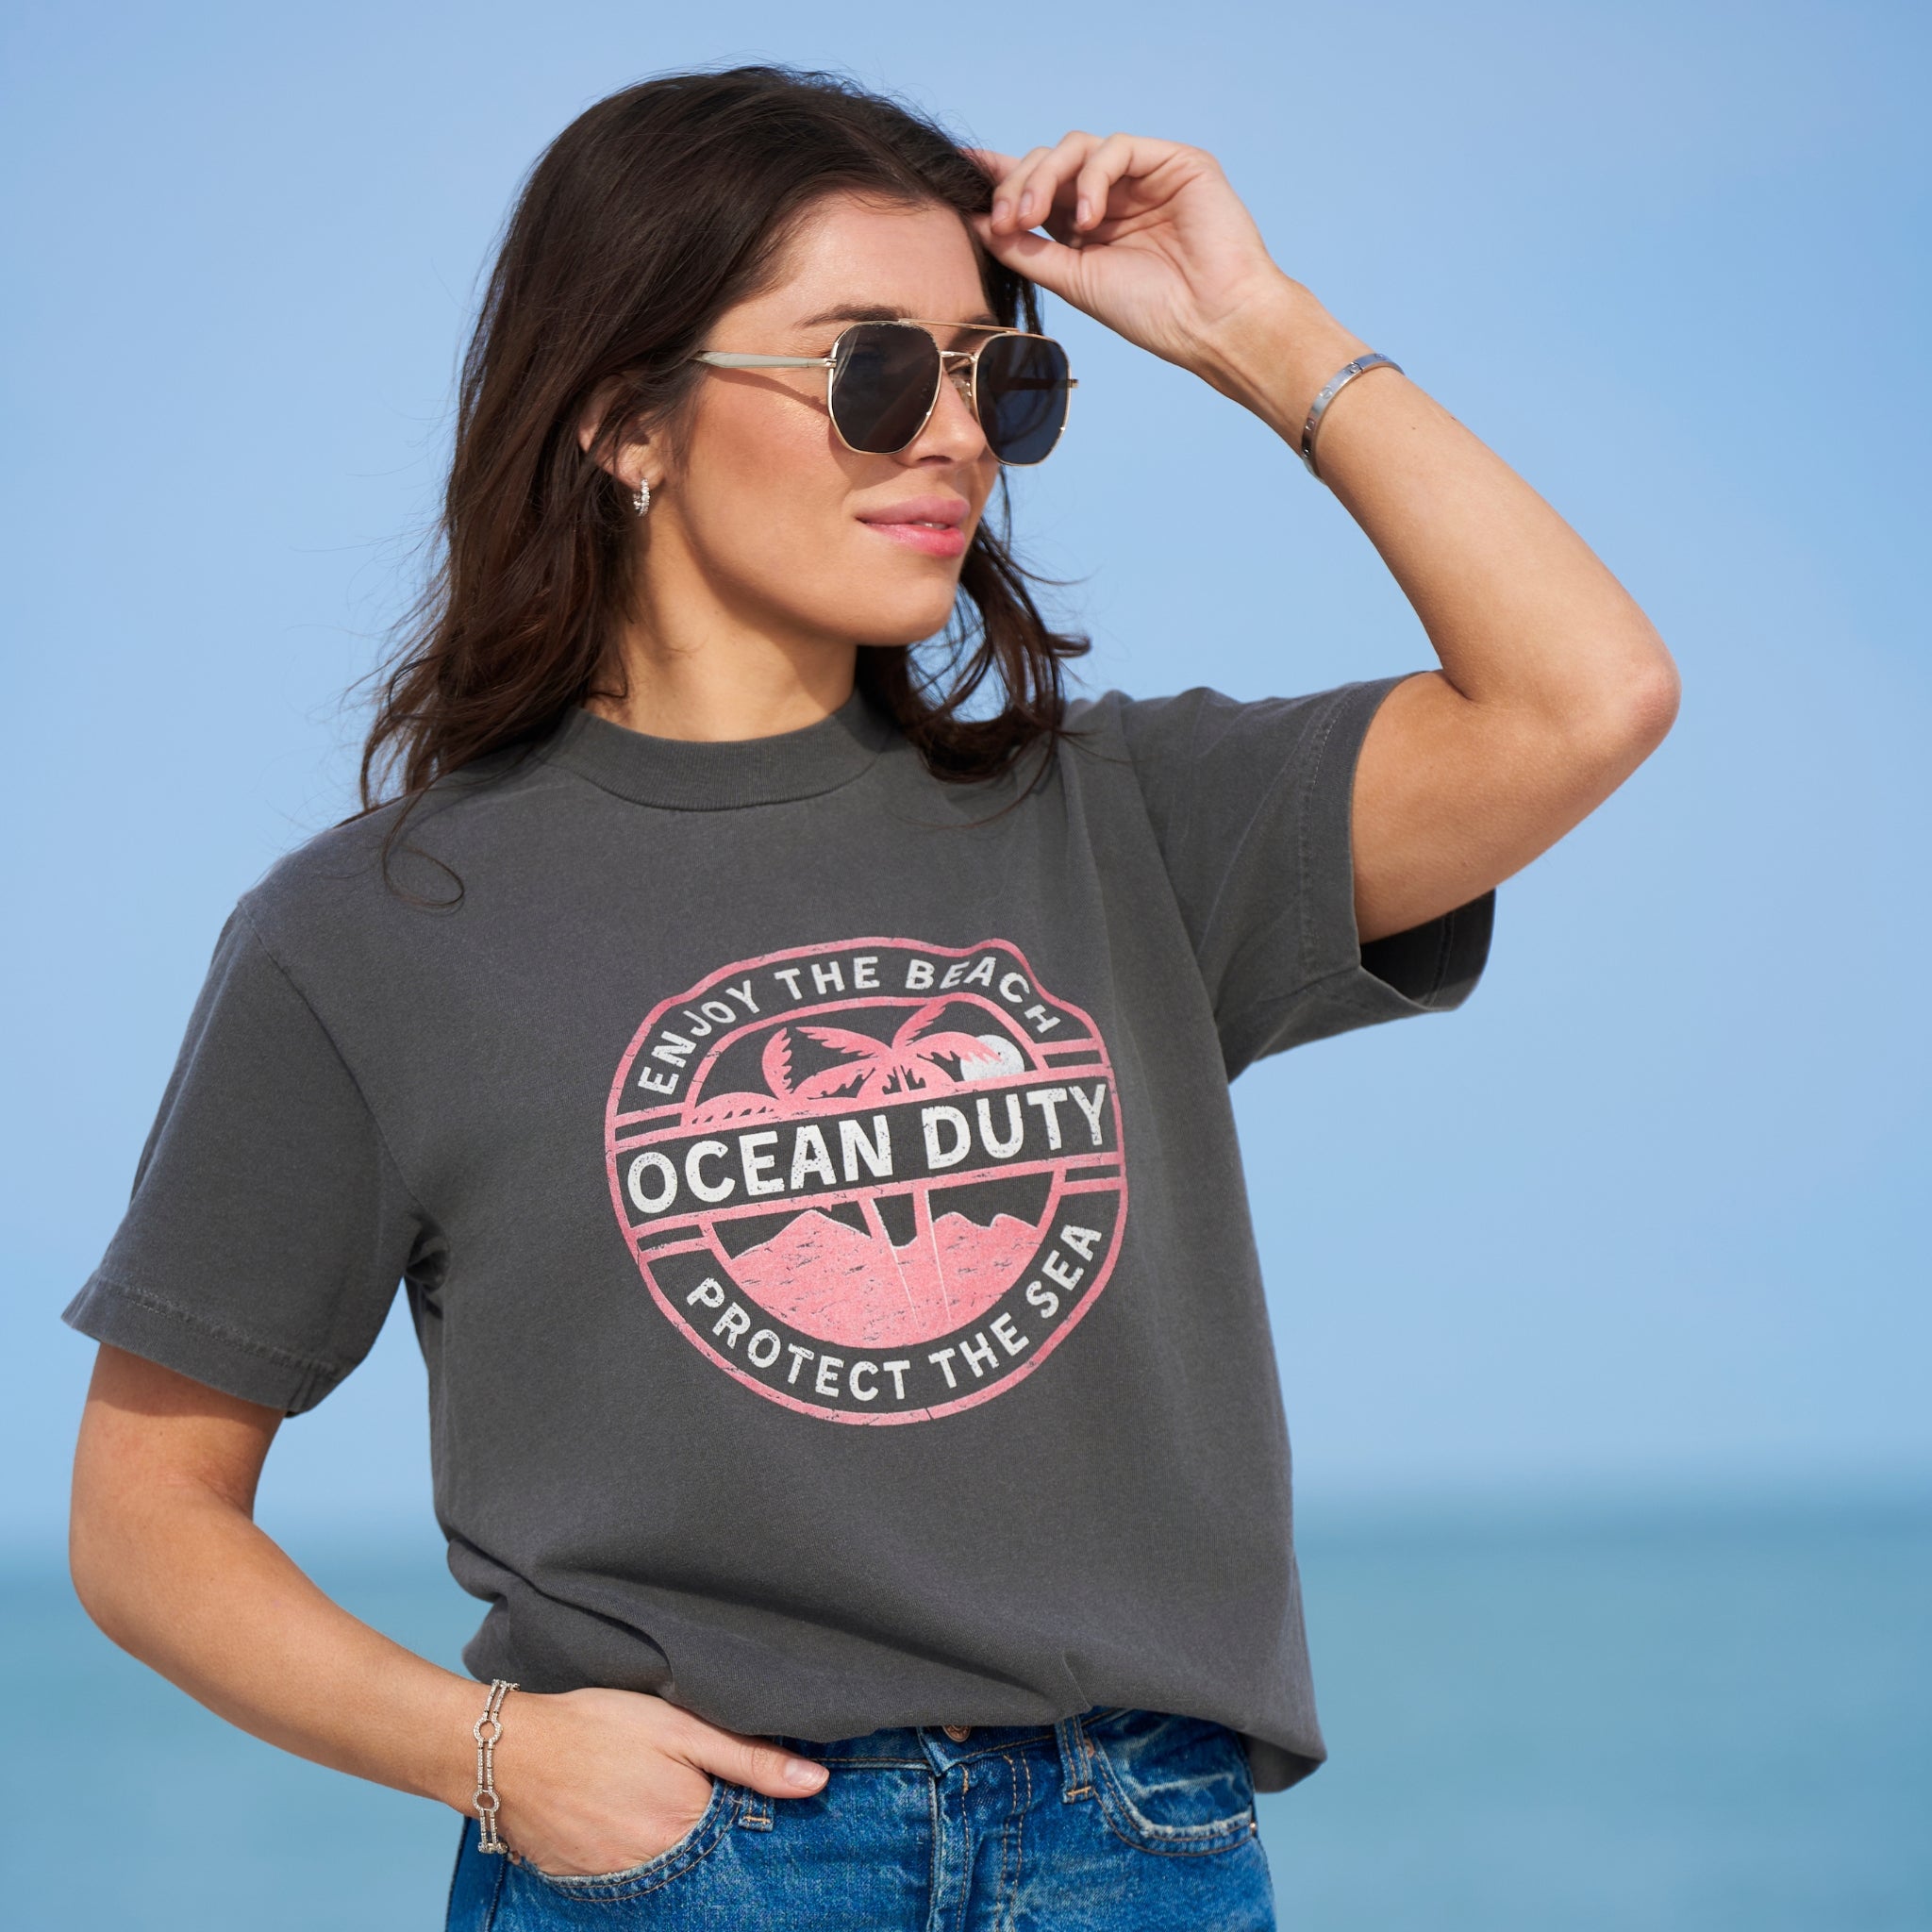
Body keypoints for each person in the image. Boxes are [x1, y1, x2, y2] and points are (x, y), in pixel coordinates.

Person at [61, 63, 1678, 1932]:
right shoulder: (378, 929)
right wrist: (494, 1754)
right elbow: (147, 1522)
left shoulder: (1128, 825)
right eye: (869, 371)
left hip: (1133, 1849)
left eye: (996, 378)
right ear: (623, 421)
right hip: (693, 1862)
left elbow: (1588, 697)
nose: (953, 439)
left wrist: (1252, 327)